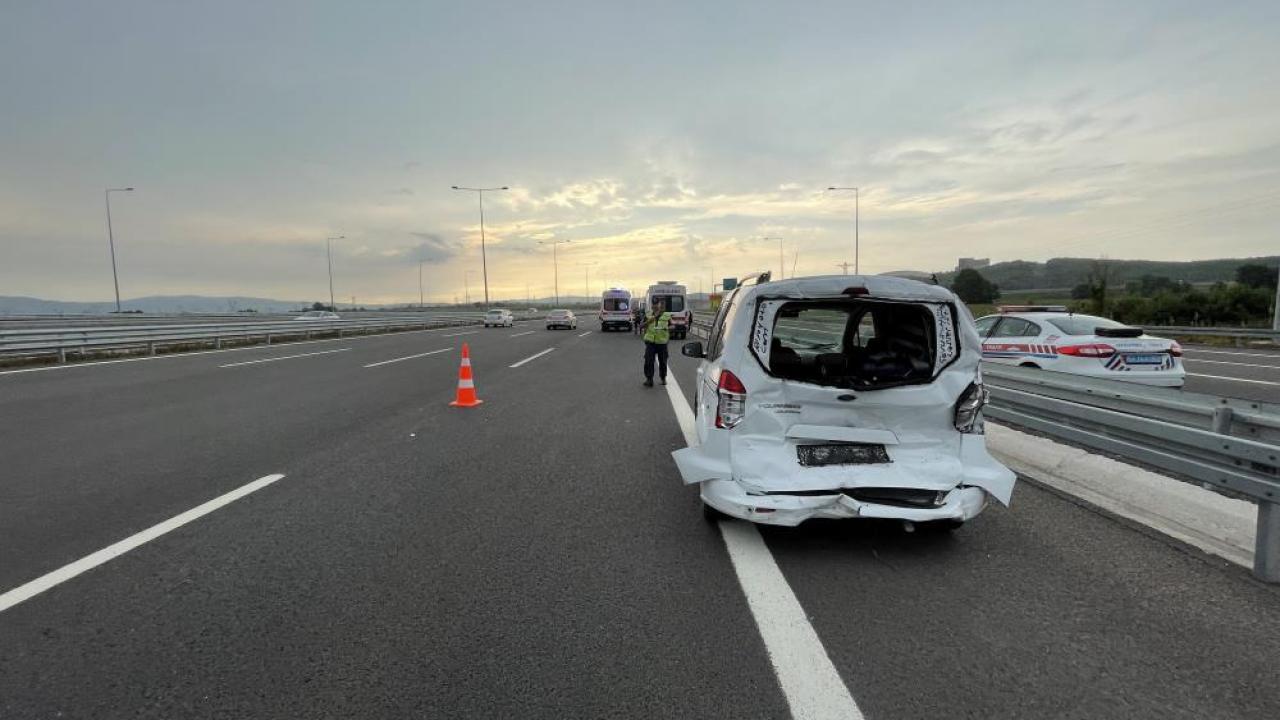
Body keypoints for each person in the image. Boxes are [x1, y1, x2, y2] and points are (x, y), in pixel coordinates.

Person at [641, 299, 671, 387]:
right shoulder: (648, 315)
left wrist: (668, 328)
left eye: (657, 304)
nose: (655, 306)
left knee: (663, 361)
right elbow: (641, 326)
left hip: (662, 342)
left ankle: (663, 378)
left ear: (660, 305)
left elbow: (672, 325)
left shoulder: (667, 315)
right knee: (648, 361)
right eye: (653, 304)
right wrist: (650, 320)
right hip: (650, 342)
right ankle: (649, 379)